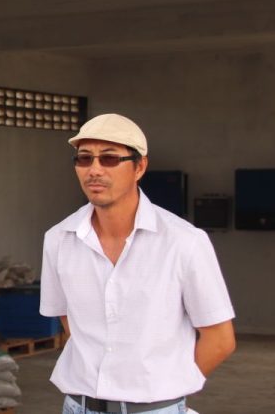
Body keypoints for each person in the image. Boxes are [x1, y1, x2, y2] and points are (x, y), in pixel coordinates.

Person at [39, 113, 236, 414]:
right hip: (78, 406)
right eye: (84, 159)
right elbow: (70, 324)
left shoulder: (183, 242)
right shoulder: (59, 239)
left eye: (108, 159)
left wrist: (168, 391)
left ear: (139, 167)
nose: (94, 170)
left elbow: (220, 339)